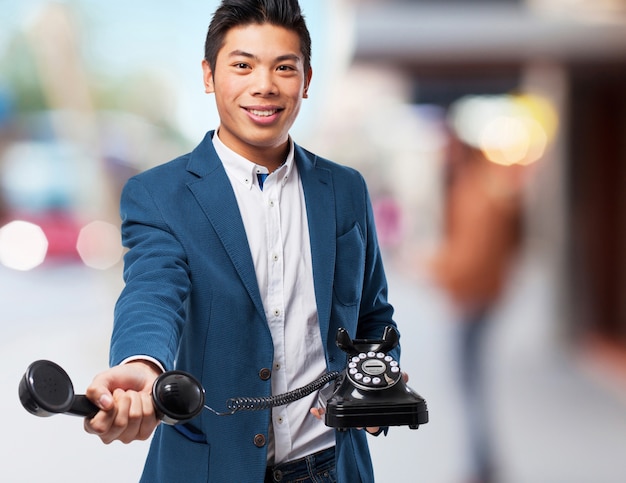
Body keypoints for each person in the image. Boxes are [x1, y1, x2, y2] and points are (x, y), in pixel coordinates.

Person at [84, 1, 399, 482]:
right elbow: (152, 290)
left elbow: (374, 318)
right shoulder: (158, 195)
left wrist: (375, 392)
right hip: (211, 468)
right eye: (243, 65)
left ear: (307, 80)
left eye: (284, 68)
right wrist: (142, 364)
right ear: (209, 76)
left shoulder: (346, 189)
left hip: (333, 467)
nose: (265, 85)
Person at [429, 132, 526, 483]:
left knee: (468, 382)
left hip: (471, 298)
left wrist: (435, 268)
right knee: (471, 381)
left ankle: (480, 461)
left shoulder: (476, 194)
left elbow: (471, 256)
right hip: (480, 294)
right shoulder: (484, 188)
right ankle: (482, 457)